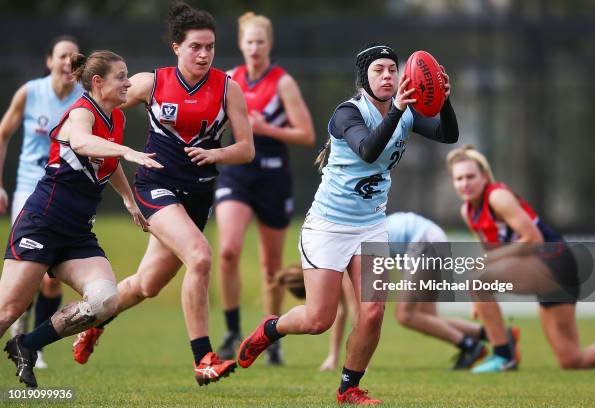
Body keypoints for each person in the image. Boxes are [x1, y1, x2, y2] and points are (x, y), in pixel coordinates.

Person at [238, 43, 458, 404]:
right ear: (364, 79)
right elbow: (369, 149)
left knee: (372, 313)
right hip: (328, 226)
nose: (388, 76)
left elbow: (448, 135)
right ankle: (270, 329)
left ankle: (349, 388)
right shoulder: (347, 113)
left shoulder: (407, 112)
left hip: (371, 226)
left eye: (392, 69)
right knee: (317, 320)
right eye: (379, 70)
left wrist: (443, 100)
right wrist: (400, 108)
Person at [71, 2, 254, 386]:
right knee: (201, 257)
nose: (204, 54)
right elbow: (100, 101)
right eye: (195, 47)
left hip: (197, 196)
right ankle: (203, 357)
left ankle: (92, 320)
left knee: (146, 285)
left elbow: (246, 149)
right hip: (156, 187)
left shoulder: (228, 87)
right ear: (176, 48)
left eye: (210, 47)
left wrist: (215, 153)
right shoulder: (152, 83)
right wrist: (84, 133)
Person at [0, 50, 161, 388]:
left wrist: (129, 200)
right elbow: (84, 143)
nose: (128, 83)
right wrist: (127, 151)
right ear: (98, 82)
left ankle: (26, 345)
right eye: (121, 76)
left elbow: (108, 160)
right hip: (42, 222)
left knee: (105, 301)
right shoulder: (80, 114)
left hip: (76, 234)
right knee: (8, 310)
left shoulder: (116, 118)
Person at [447, 144, 595, 372]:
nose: (465, 183)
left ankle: (504, 356)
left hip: (555, 260)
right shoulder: (467, 212)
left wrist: (481, 274)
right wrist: (479, 297)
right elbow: (491, 253)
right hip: (541, 268)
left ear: (484, 176)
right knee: (572, 361)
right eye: (459, 179)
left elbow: (533, 239)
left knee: (477, 279)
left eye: (470, 176)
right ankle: (506, 355)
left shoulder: (497, 196)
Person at [215, 12, 315, 365]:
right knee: (227, 251)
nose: (255, 47)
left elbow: (306, 134)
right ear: (241, 44)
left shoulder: (283, 82)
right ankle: (230, 330)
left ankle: (270, 337)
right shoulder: (229, 79)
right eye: (249, 41)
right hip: (237, 173)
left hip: (274, 175)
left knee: (271, 265)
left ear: (269, 45)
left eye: (261, 41)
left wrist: (264, 128)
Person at [318, 211, 493, 371]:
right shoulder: (345, 253)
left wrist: (359, 361)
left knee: (405, 314)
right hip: (430, 237)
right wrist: (333, 356)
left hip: (423, 240)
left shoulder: (348, 255)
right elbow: (342, 311)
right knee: (428, 319)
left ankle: (470, 346)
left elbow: (358, 312)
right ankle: (496, 334)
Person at [0, 36, 83, 369]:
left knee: (51, 279)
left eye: (75, 59)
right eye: (62, 56)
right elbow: (3, 133)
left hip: (61, 197)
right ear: (49, 60)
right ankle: (17, 320)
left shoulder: (84, 101)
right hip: (27, 192)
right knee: (25, 276)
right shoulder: (30, 92)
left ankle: (33, 346)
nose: (68, 63)